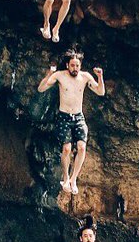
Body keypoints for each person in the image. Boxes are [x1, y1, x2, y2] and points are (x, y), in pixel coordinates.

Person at [38, 49, 106, 195]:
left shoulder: (85, 77)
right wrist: (49, 74)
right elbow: (41, 88)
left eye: (77, 65)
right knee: (67, 149)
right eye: (73, 65)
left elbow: (101, 92)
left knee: (81, 147)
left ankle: (73, 179)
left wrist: (100, 77)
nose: (75, 68)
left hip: (78, 117)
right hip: (64, 117)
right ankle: (66, 177)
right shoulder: (60, 76)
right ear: (67, 65)